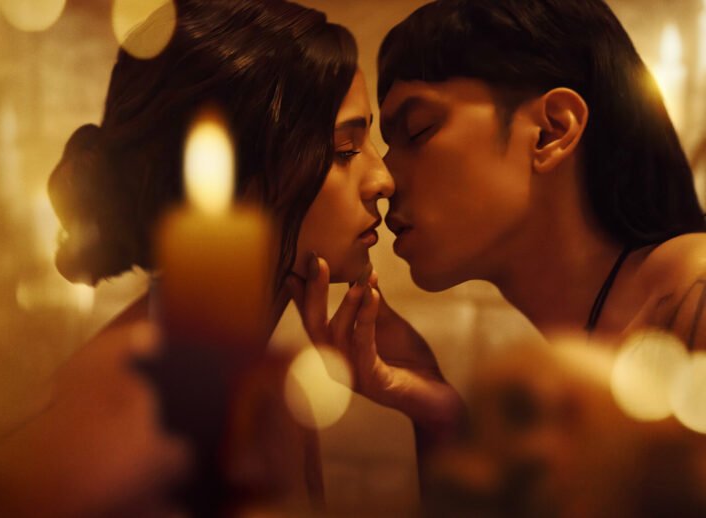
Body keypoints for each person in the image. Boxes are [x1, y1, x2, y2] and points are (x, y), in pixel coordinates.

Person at [287, 0, 706, 488]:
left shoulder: (692, 296)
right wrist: (438, 415)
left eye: (418, 130)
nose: (385, 178)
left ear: (551, 131)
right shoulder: (573, 356)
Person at [43, 0, 393, 513]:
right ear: (230, 183)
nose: (383, 179)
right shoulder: (134, 407)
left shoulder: (270, 396)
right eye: (344, 151)